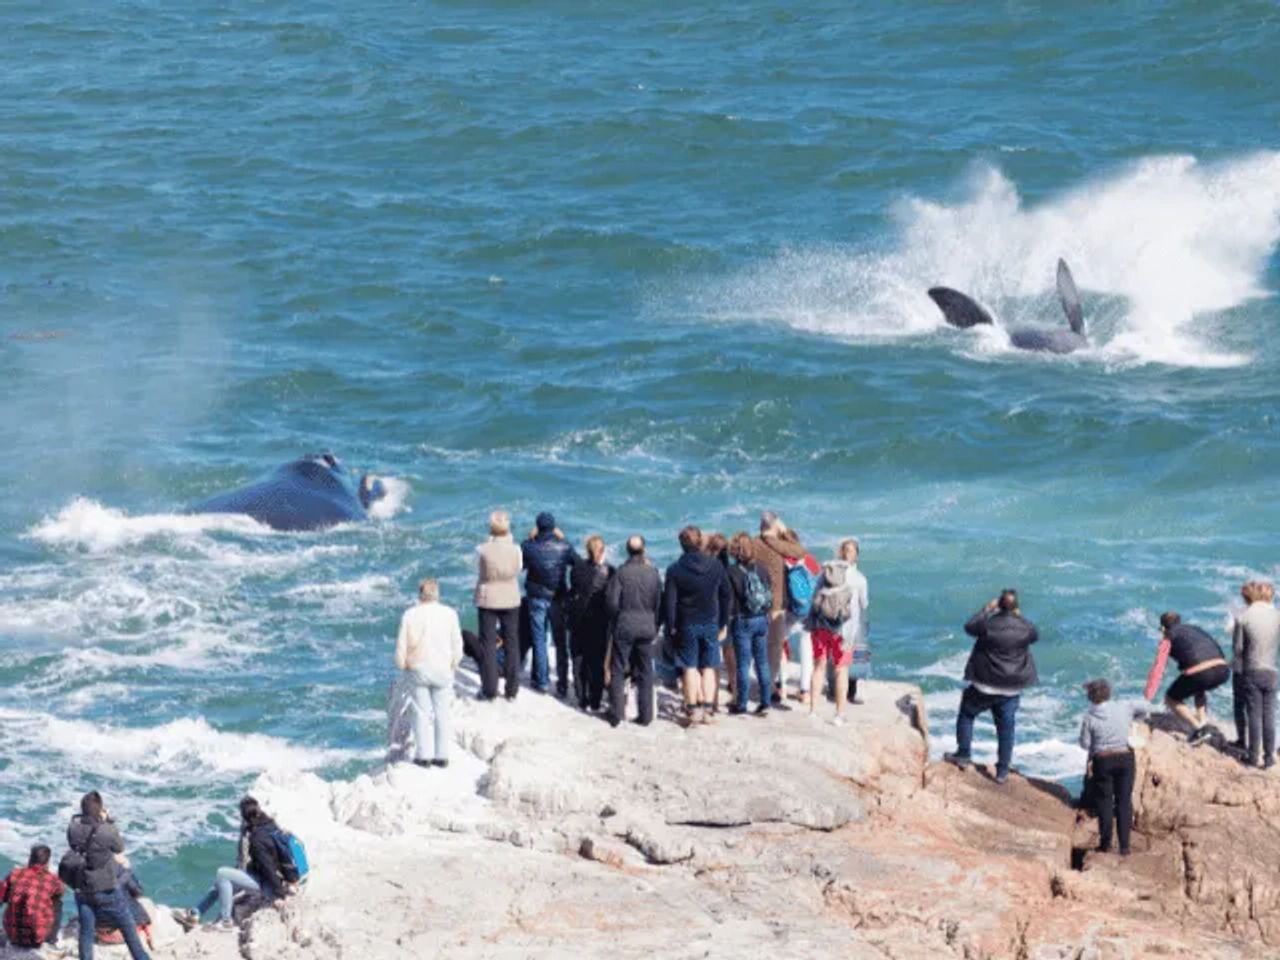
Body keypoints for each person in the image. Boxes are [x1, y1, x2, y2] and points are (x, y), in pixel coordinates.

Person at [944, 590, 1039, 785]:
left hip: (984, 685)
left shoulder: (988, 624)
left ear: (999, 605)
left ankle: (963, 755)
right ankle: (1002, 771)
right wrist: (1018, 615)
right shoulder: (1025, 628)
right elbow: (1034, 634)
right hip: (1011, 688)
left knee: (967, 714)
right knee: (1006, 728)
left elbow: (969, 626)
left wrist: (987, 609)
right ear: (1016, 607)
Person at [174, 797, 287, 932]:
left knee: (222, 873)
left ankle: (226, 922)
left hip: (266, 884)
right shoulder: (270, 825)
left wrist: (279, 894)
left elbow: (268, 867)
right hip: (264, 876)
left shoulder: (257, 839)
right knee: (221, 882)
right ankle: (196, 913)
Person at [66, 791, 151, 960]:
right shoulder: (107, 829)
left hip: (83, 889)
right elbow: (118, 848)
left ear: (83, 809)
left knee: (86, 933)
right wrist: (107, 821)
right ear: (100, 810)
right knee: (129, 928)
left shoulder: (73, 828)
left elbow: (77, 843)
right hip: (106, 889)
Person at [663, 525, 732, 726]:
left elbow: (670, 603)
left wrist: (670, 627)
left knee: (689, 667)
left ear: (681, 545)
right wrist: (723, 622)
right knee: (709, 666)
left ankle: (692, 710)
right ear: (700, 541)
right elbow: (726, 595)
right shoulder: (715, 566)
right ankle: (709, 710)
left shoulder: (674, 569)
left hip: (686, 624)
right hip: (710, 622)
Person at [395, 577, 464, 768]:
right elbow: (458, 645)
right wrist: (453, 663)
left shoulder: (409, 614)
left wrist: (402, 664)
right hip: (442, 669)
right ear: (437, 593)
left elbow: (401, 645)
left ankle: (423, 756)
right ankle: (442, 756)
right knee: (442, 713)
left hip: (418, 669)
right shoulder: (450, 614)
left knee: (421, 713)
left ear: (420, 594)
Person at [1078, 679, 1147, 856]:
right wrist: (1135, 722)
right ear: (1108, 693)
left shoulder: (1089, 717)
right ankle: (1124, 847)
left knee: (1105, 802)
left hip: (1103, 760)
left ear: (1091, 697)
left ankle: (1106, 844)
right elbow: (1145, 708)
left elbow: (1085, 744)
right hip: (1125, 757)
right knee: (1124, 801)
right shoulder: (1124, 707)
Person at [1144, 611, 1230, 746]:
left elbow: (1158, 668)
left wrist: (1147, 698)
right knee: (1198, 686)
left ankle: (1199, 729)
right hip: (1223, 669)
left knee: (1171, 698)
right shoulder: (1195, 629)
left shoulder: (1168, 637)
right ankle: (1203, 721)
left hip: (1202, 673)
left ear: (1163, 628)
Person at [605, 535, 663, 727]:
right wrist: (656, 625)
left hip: (625, 624)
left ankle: (617, 714)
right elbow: (659, 603)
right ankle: (645, 716)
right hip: (647, 626)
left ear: (627, 550)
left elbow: (612, 602)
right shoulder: (653, 573)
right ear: (643, 550)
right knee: (646, 670)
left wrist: (617, 620)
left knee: (618, 668)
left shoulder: (621, 572)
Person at [757, 512, 813, 706]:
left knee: (771, 646)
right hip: (787, 606)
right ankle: (800, 689)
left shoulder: (755, 544)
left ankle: (778, 685)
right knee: (786, 645)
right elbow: (801, 552)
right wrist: (780, 533)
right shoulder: (788, 551)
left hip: (762, 603)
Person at [522, 512, 579, 696]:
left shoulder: (528, 546)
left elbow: (520, 565)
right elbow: (578, 563)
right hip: (558, 598)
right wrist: (563, 539)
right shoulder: (565, 546)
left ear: (537, 527)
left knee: (539, 640)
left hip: (537, 597)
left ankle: (542, 682)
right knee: (560, 642)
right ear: (554, 528)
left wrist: (529, 538)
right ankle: (562, 685)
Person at [474, 510, 524, 701]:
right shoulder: (516, 549)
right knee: (512, 643)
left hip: (488, 597)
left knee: (488, 645)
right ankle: (512, 690)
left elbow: (478, 569)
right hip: (510, 597)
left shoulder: (482, 549)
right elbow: (518, 569)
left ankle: (489, 690)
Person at [806, 553, 856, 725]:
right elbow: (854, 611)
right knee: (841, 669)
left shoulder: (823, 577)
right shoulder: (852, 578)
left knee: (818, 667)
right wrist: (851, 636)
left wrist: (811, 626)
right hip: (841, 632)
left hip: (820, 629)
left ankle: (813, 711)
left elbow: (813, 603)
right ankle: (839, 715)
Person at [1232, 581, 1279, 768]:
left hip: (1252, 671)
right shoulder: (1277, 615)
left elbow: (1238, 649)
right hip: (1272, 672)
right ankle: (1269, 758)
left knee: (1254, 715)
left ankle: (1252, 757)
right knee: (1269, 716)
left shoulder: (1243, 617)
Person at [725, 533, 772, 717]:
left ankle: (742, 704)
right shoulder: (762, 568)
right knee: (762, 662)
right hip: (762, 618)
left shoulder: (731, 571)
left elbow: (729, 601)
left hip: (743, 619)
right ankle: (765, 703)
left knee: (743, 664)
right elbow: (768, 590)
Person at [567, 535, 614, 711]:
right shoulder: (610, 571)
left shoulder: (577, 568)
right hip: (600, 622)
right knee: (597, 661)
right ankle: (595, 700)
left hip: (578, 620)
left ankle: (581, 698)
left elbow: (574, 591)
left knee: (578, 658)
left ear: (587, 550)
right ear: (603, 550)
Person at [0, 844, 64, 953]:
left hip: (13, 935)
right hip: (35, 938)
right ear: (47, 862)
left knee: (11, 897)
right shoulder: (53, 880)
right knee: (58, 903)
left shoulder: (15, 873)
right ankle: (51, 940)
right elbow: (60, 893)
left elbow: (2, 896)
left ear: (30, 858)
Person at [838, 539, 871, 704]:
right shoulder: (860, 579)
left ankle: (836, 689)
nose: (847, 554)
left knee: (837, 658)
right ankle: (850, 693)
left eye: (849, 551)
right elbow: (864, 604)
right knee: (853, 658)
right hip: (851, 623)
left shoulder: (832, 573)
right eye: (847, 550)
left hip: (835, 622)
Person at [703, 533, 732, 712]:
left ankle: (711, 701)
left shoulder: (709, 568)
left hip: (710, 618)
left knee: (711, 661)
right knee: (728, 658)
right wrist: (725, 623)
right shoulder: (727, 569)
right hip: (725, 617)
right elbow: (727, 598)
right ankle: (732, 690)